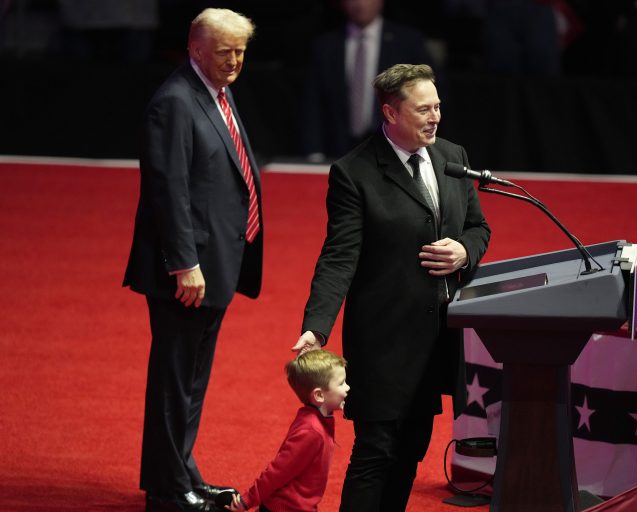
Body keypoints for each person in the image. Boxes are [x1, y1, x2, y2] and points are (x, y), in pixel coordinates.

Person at [292, 63, 491, 511]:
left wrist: (464, 251)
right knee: (376, 452)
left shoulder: (451, 156)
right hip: (382, 342)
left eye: (437, 106)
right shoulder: (354, 172)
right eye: (423, 109)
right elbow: (339, 256)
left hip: (437, 339)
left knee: (411, 450)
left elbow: (478, 227)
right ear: (390, 113)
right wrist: (316, 327)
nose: (435, 117)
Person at [123, 8, 264, 512]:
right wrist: (184, 264)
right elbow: (168, 191)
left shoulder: (216, 91)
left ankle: (183, 475)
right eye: (225, 51)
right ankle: (167, 492)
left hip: (215, 262)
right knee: (174, 382)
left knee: (191, 381)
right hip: (188, 271)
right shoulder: (174, 103)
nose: (234, 61)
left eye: (241, 51)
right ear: (195, 49)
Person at [300, 0, 434, 161]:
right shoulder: (325, 46)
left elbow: (428, 97)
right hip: (337, 150)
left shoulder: (407, 42)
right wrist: (314, 152)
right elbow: (312, 103)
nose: (360, 3)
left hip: (394, 148)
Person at [218, 349, 349, 512]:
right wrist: (247, 500)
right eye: (341, 383)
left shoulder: (316, 418)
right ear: (319, 395)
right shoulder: (311, 431)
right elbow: (278, 471)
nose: (348, 388)